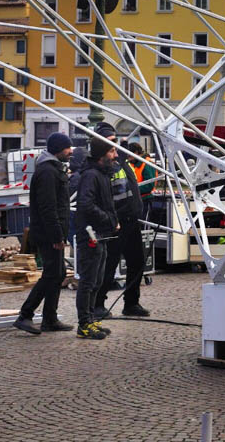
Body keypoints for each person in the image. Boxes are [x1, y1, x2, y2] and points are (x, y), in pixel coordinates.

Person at [15, 132, 75, 334]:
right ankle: (26, 315)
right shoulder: (48, 172)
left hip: (51, 232)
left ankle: (50, 318)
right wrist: (57, 236)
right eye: (68, 148)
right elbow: (48, 208)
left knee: (57, 274)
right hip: (48, 234)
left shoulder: (53, 169)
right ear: (58, 149)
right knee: (51, 274)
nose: (71, 151)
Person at [93, 122, 151, 319]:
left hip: (131, 219)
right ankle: (97, 304)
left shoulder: (121, 158)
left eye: (115, 141)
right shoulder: (101, 165)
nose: (114, 146)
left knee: (137, 261)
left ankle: (131, 303)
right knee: (109, 264)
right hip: (116, 222)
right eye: (110, 142)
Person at [73, 131, 120, 339]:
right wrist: (109, 219)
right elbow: (86, 205)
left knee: (97, 280)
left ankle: (91, 320)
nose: (116, 154)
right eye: (112, 150)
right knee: (88, 281)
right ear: (102, 154)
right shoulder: (92, 175)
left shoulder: (101, 174)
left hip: (100, 233)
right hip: (91, 235)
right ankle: (84, 324)